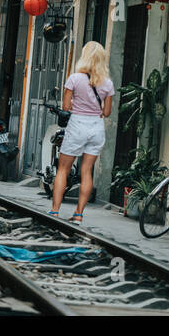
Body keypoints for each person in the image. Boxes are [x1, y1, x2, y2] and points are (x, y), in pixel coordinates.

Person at [48, 42, 114, 224]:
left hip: (78, 125)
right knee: (86, 171)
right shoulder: (107, 83)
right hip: (97, 127)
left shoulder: (75, 79)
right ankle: (78, 214)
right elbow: (107, 112)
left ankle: (55, 211)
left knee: (63, 169)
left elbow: (66, 106)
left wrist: (79, 104)